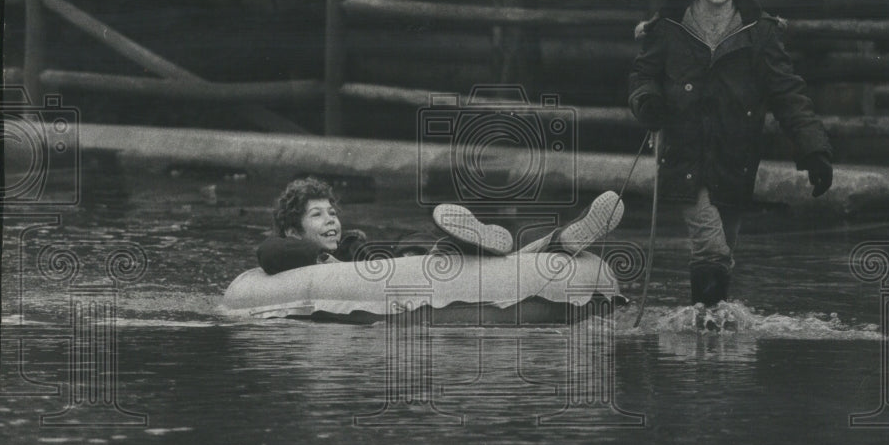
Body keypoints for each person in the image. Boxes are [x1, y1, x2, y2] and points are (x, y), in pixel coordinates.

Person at [628, 0, 833, 307]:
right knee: (712, 252)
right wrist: (647, 100)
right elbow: (643, 74)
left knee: (723, 256)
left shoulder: (760, 34)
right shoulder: (669, 27)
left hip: (736, 160)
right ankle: (707, 337)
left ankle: (708, 336)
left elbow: (788, 93)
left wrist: (813, 150)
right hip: (684, 157)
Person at [256, 176, 625, 275]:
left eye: (332, 213)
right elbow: (268, 250)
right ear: (294, 230)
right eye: (317, 215)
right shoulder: (289, 251)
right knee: (499, 266)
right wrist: (323, 262)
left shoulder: (355, 244)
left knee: (411, 243)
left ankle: (563, 239)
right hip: (388, 279)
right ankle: (559, 243)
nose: (331, 221)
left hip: (407, 266)